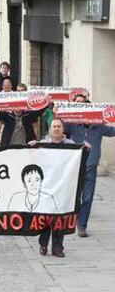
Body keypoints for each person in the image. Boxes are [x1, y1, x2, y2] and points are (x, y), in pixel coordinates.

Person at [64, 94, 115, 237]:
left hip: (91, 166)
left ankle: (82, 225)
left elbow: (112, 131)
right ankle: (75, 218)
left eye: (83, 102)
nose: (80, 105)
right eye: (77, 102)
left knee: (87, 197)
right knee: (75, 196)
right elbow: (61, 135)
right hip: (74, 166)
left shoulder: (98, 124)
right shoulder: (71, 123)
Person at [27, 118, 75, 258]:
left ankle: (58, 248)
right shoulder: (43, 144)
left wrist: (85, 148)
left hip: (63, 188)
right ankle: (43, 244)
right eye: (54, 126)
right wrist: (31, 147)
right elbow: (31, 159)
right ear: (50, 129)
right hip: (47, 187)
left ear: (63, 128)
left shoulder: (71, 145)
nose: (56, 129)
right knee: (46, 218)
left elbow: (80, 157)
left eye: (59, 126)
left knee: (60, 219)